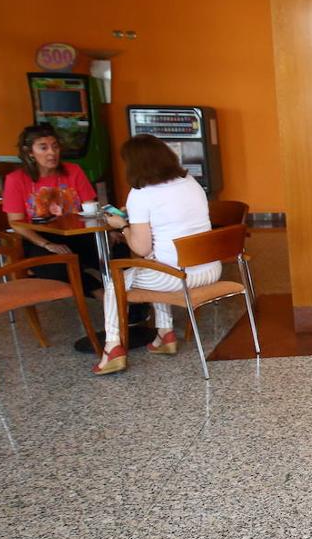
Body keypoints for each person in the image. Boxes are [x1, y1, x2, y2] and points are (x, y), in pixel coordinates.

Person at [92, 135, 220, 375]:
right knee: (152, 262)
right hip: (211, 269)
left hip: (176, 276)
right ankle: (165, 334)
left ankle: (112, 349)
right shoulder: (190, 182)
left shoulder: (141, 194)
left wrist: (122, 225)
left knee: (114, 282)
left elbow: (140, 248)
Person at [3, 124, 108, 296]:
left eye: (55, 146)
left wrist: (105, 232)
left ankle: (130, 299)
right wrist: (47, 244)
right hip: (38, 237)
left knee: (116, 252)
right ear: (30, 152)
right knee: (57, 268)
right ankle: (101, 293)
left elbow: (91, 207)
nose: (51, 153)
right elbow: (16, 223)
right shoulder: (16, 180)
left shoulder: (73, 171)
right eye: (43, 148)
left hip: (77, 233)